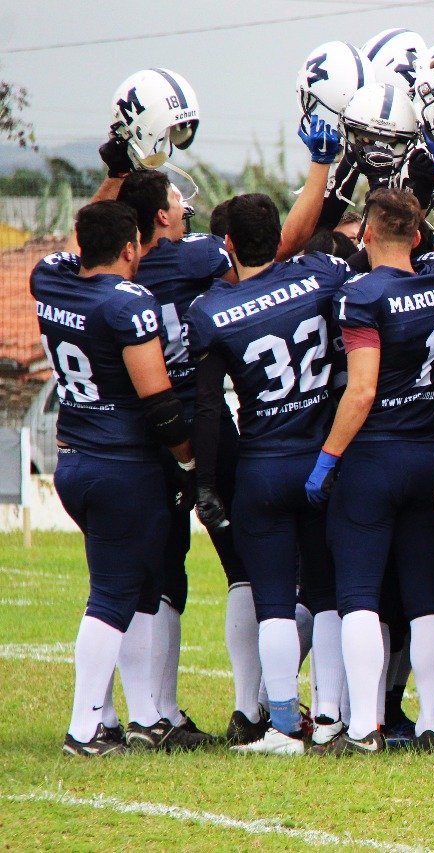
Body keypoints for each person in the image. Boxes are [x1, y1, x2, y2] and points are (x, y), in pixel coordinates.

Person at [109, 114, 338, 745]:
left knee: (135, 578)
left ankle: (140, 714)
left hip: (129, 434)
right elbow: (284, 243)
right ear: (157, 218)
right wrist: (323, 164)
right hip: (208, 429)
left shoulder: (101, 272)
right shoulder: (207, 261)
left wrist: (114, 173)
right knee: (252, 573)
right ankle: (254, 707)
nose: (185, 203)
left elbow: (91, 241)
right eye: (175, 199)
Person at [310, 135, 434, 756]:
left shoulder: (362, 294)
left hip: (373, 457)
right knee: (421, 596)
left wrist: (326, 459)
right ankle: (431, 726)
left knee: (357, 595)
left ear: (367, 234)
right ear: (417, 234)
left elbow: (359, 394)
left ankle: (362, 729)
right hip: (426, 455)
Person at [184, 193, 351, 756]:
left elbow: (209, 409)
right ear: (281, 235)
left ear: (227, 244)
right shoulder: (323, 275)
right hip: (323, 457)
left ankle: (281, 726)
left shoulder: (210, 310)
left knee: (275, 600)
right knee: (327, 596)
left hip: (262, 465)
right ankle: (329, 719)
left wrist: (205, 483)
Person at [36, 201, 203, 754]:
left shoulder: (52, 282)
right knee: (112, 595)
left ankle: (143, 716)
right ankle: (85, 729)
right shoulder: (127, 303)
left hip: (77, 456)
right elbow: (158, 402)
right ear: (131, 247)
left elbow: (71, 245)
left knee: (136, 589)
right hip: (120, 464)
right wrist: (185, 456)